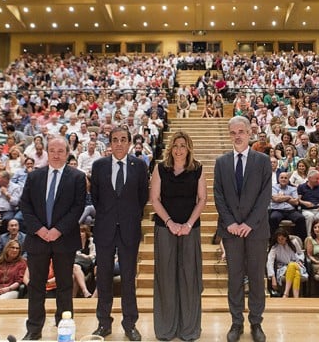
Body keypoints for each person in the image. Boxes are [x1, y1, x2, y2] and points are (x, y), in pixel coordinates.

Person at [19, 137, 86, 341]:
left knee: (65, 286)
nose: (56, 154)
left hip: (63, 239)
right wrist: (39, 229)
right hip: (37, 239)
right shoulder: (34, 176)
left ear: (67, 153)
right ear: (47, 152)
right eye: (53, 150)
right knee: (36, 286)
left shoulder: (77, 177)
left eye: (61, 151)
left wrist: (58, 230)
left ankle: (64, 328)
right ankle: (34, 329)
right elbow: (25, 205)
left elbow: (78, 207)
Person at [213, 116, 271, 342]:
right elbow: (218, 195)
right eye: (233, 132)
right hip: (231, 231)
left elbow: (265, 196)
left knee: (257, 277)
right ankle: (236, 322)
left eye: (241, 131)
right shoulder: (221, 162)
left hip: (256, 230)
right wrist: (230, 223)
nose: (237, 136)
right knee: (234, 278)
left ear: (249, 133)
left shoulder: (263, 160)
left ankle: (256, 322)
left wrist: (249, 223)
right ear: (229, 135)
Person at [90, 127, 148, 341]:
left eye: (123, 139)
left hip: (129, 229)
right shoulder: (99, 166)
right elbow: (95, 197)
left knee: (128, 279)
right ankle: (104, 323)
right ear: (110, 143)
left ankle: (130, 324)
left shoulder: (139, 166)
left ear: (130, 142)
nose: (119, 143)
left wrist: (126, 216)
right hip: (105, 229)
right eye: (115, 139)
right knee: (103, 279)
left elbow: (143, 196)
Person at [150, 130, 207, 341]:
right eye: (175, 145)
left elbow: (202, 199)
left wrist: (189, 224)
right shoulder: (160, 169)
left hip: (190, 229)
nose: (179, 149)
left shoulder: (198, 169)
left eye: (182, 145)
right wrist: (170, 223)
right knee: (165, 277)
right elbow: (154, 199)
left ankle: (188, 330)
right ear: (170, 148)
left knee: (189, 277)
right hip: (165, 229)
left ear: (188, 147)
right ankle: (165, 329)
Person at [266, 228, 305, 298]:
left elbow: (301, 253)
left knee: (292, 265)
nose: (280, 241)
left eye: (282, 239)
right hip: (283, 268)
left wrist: (300, 261)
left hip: (297, 264)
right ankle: (296, 297)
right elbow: (270, 262)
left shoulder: (294, 242)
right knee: (296, 272)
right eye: (278, 239)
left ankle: (285, 294)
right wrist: (273, 278)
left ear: (286, 238)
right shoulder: (274, 247)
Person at [269, 171, 306, 240]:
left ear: (288, 180)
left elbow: (295, 202)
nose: (283, 179)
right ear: (278, 179)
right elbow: (275, 199)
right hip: (277, 210)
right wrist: (289, 197)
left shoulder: (293, 188)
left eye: (285, 178)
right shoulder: (273, 187)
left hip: (290, 211)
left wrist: (281, 197)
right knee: (273, 218)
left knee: (301, 218)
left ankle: (300, 241)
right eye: (282, 178)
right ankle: (273, 241)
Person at [298, 170, 319, 237]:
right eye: (317, 178)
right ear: (310, 178)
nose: (318, 180)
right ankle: (310, 237)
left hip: (318, 210)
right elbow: (298, 200)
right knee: (310, 216)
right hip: (306, 210)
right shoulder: (301, 187)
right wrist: (304, 203)